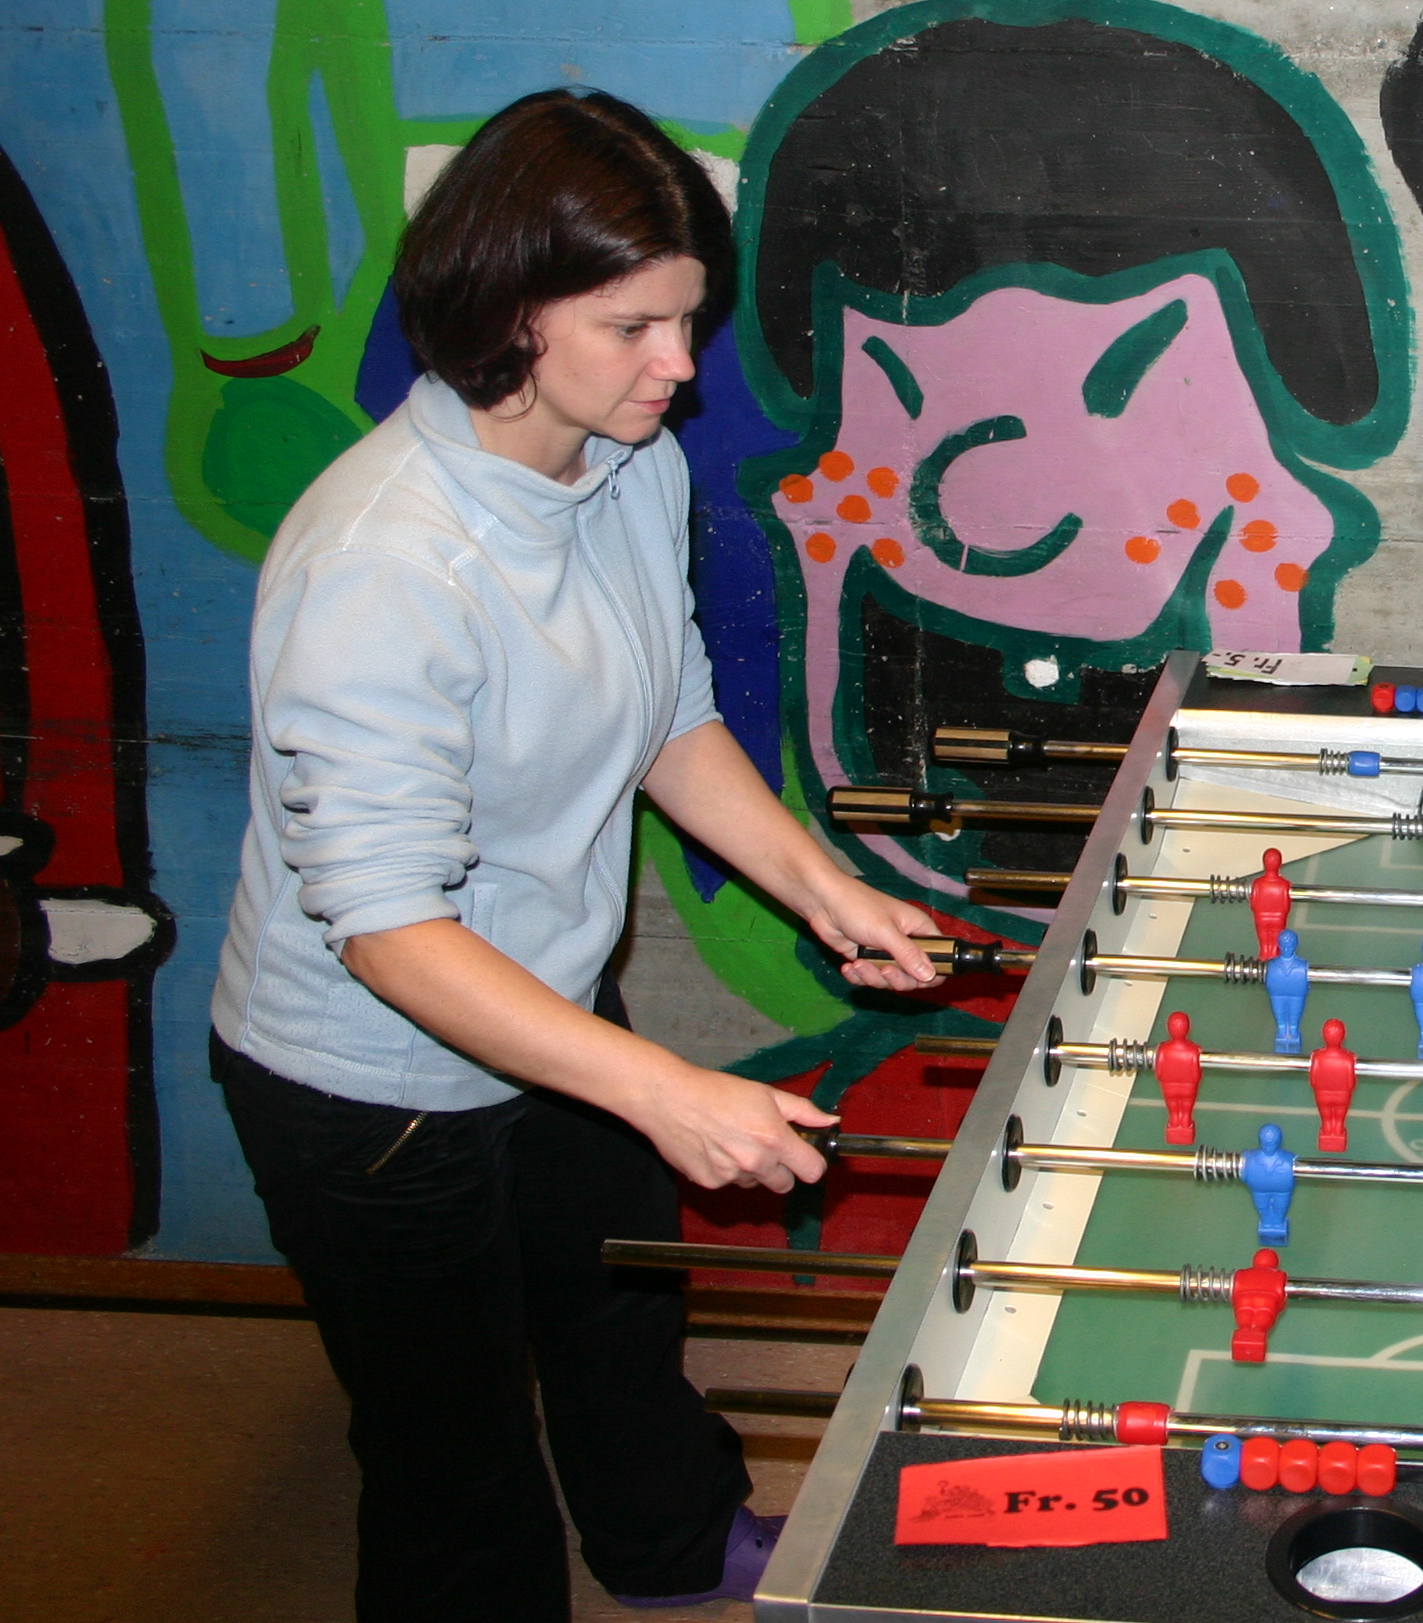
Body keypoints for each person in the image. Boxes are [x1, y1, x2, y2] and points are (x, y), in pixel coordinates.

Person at [209, 88, 944, 1622]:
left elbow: (669, 716)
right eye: (633, 328)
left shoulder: (625, 465)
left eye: (686, 319)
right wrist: (663, 1090)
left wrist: (825, 889)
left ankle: (668, 1546)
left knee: (618, 1312)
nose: (680, 367)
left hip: (546, 998)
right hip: (371, 1083)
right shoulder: (381, 567)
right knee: (453, 1452)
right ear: (509, 311)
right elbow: (388, 931)